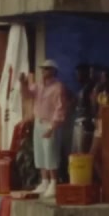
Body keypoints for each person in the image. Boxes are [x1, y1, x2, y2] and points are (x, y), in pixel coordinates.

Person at [20, 60, 68, 199]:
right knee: (40, 152)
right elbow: (27, 95)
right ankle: (44, 180)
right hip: (39, 122)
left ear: (53, 71)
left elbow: (60, 108)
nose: (43, 71)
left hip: (50, 123)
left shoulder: (58, 87)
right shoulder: (38, 86)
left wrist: (53, 127)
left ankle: (53, 182)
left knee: (50, 153)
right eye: (43, 69)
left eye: (47, 69)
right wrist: (23, 84)